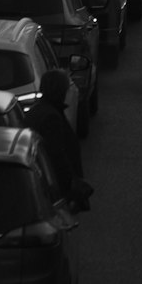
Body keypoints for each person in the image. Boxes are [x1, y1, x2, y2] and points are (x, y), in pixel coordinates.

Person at [24, 70, 92, 210]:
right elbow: (57, 155)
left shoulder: (37, 111)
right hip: (54, 190)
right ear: (60, 91)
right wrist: (71, 185)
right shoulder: (52, 117)